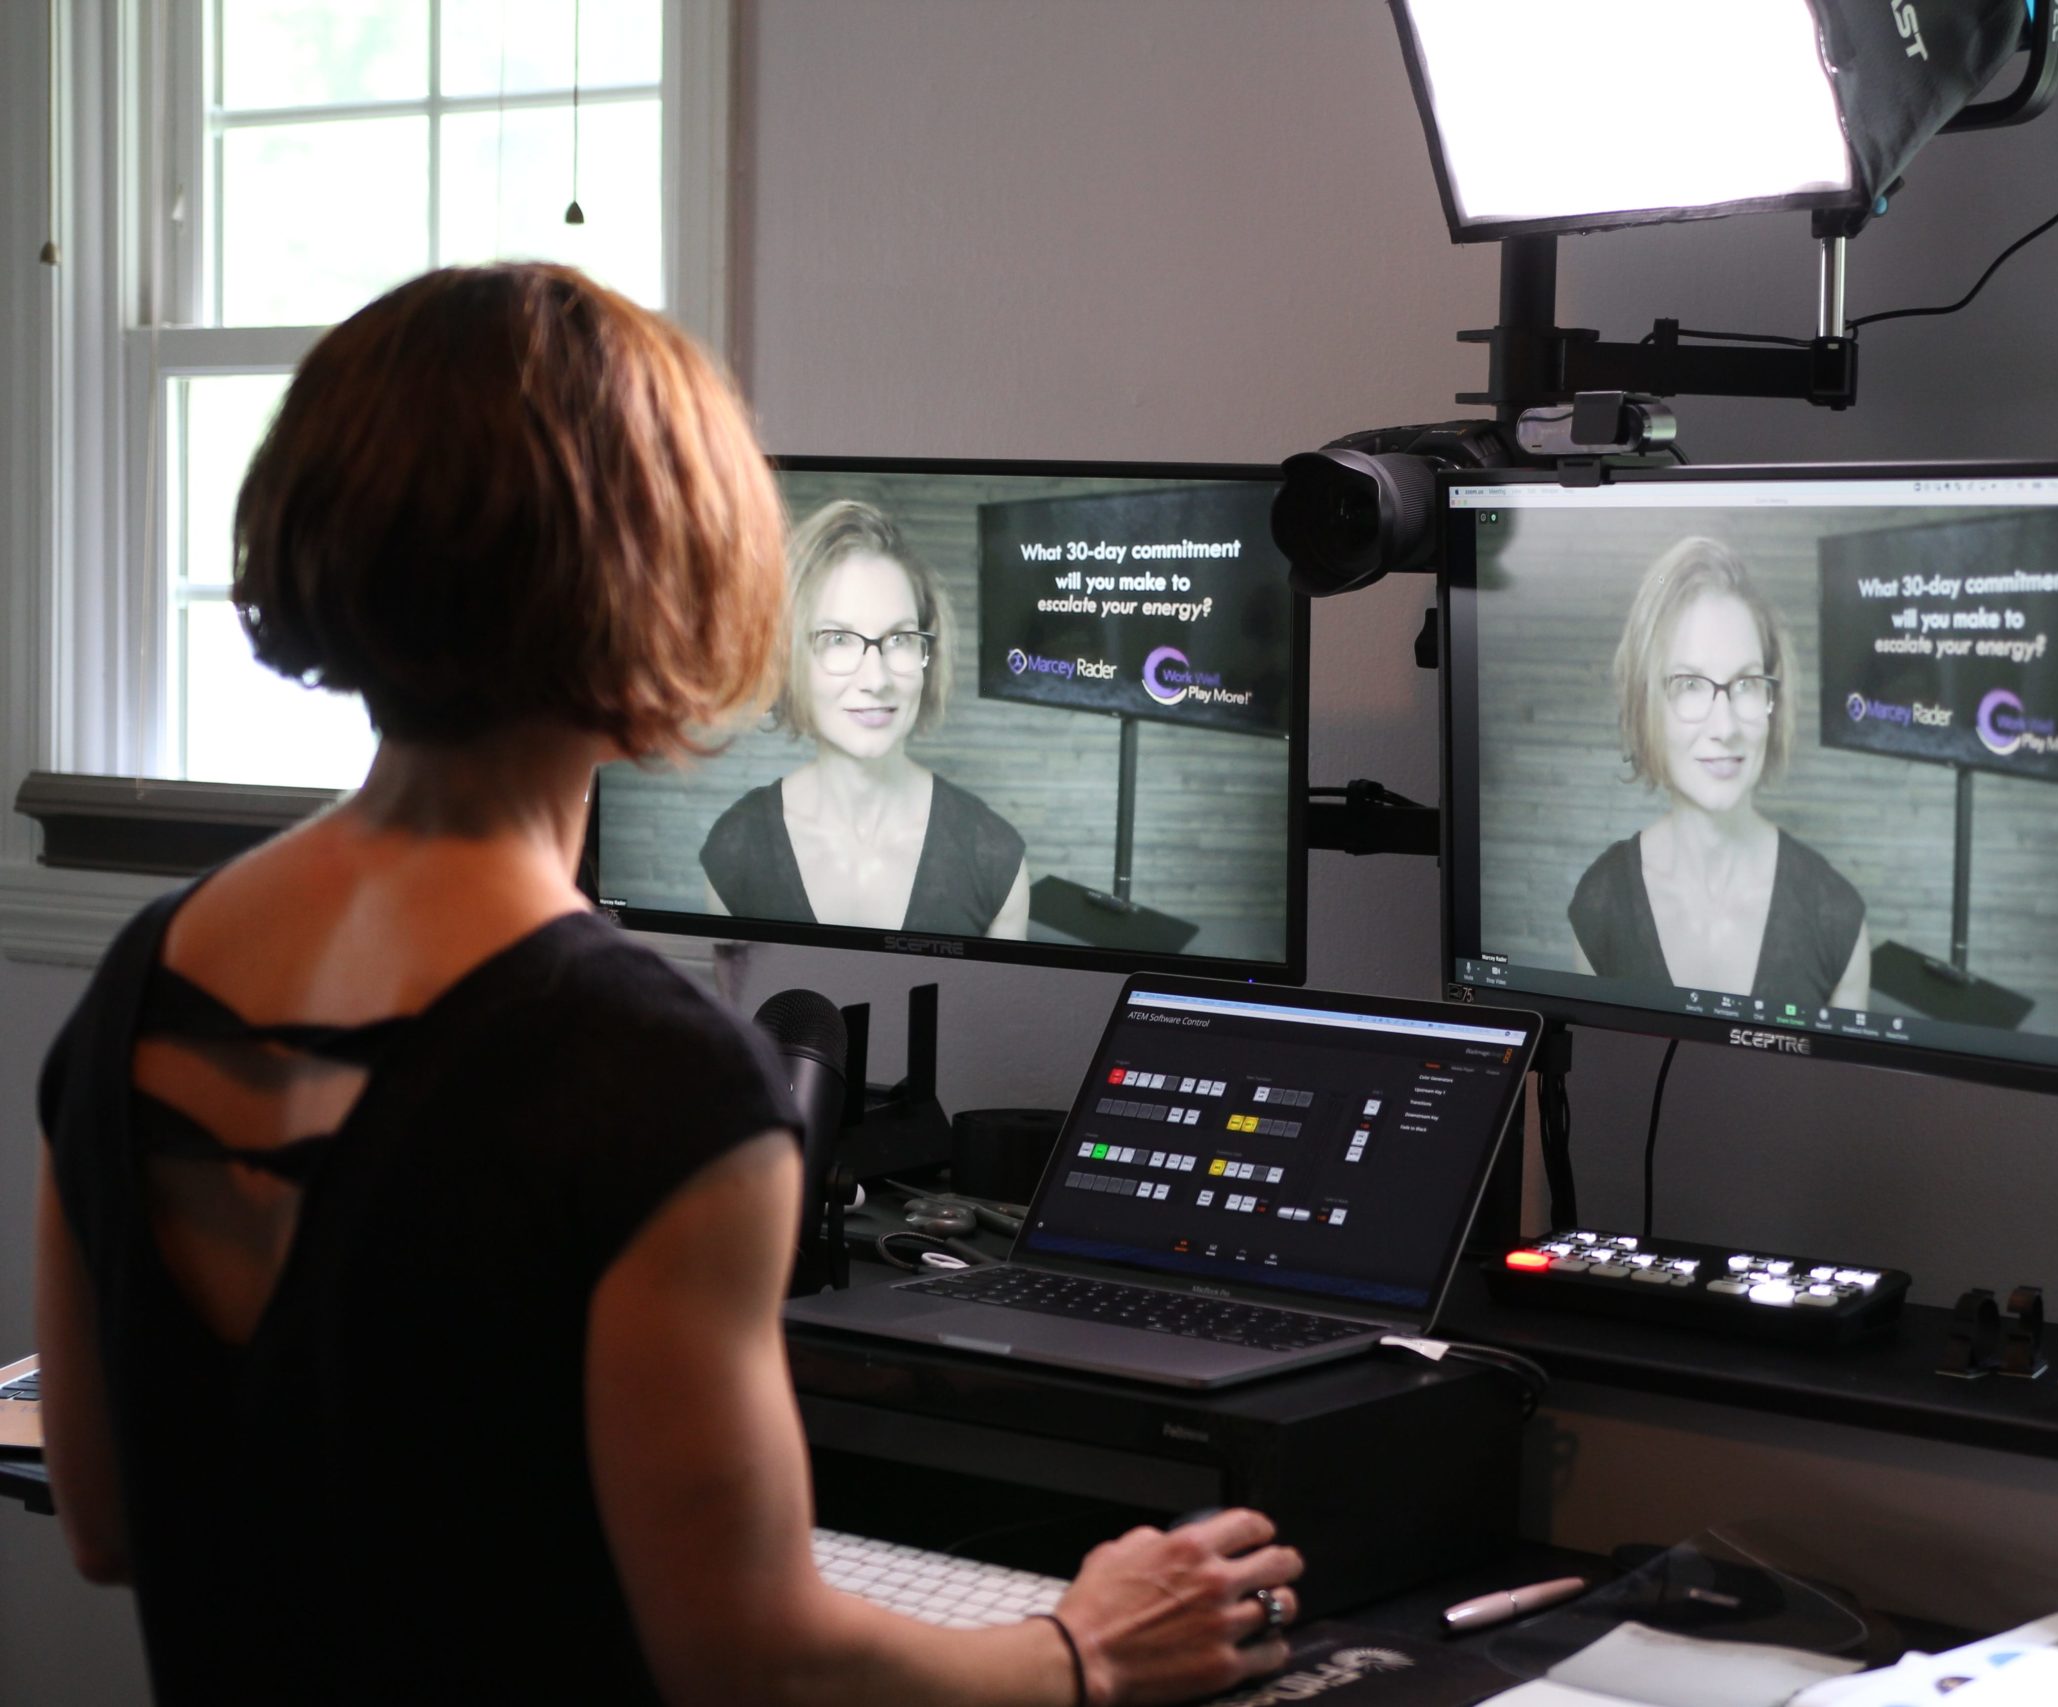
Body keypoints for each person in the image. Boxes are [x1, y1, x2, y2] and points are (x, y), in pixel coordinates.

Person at [32, 263, 1297, 1706]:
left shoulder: (138, 985)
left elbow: (110, 1521)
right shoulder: (652, 1076)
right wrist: (1080, 1646)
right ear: (676, 578)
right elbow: (746, 1656)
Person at [700, 500, 1030, 937]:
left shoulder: (996, 859)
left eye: (900, 638)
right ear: (788, 656)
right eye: (837, 638)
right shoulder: (735, 851)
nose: (876, 679)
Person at [1568, 536, 1871, 1010]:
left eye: (1747, 683)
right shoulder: (1601, 903)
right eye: (1689, 684)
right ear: (1645, 700)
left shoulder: (1837, 916)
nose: (1726, 726)